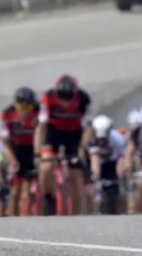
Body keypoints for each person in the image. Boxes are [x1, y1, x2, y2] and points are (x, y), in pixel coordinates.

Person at [34, 74, 93, 216]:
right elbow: (41, 127)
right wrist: (37, 153)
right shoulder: (47, 98)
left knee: (76, 175)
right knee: (46, 166)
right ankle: (48, 197)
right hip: (53, 132)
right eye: (62, 98)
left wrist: (82, 147)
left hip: (74, 134)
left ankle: (78, 215)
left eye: (68, 99)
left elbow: (89, 128)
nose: (65, 103)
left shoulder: (83, 99)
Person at [0, 87, 40, 216]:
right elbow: (5, 142)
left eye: (27, 108)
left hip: (33, 148)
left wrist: (38, 155)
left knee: (28, 189)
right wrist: (12, 161)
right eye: (21, 108)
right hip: (16, 149)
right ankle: (13, 216)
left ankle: (32, 214)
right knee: (15, 190)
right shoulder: (7, 114)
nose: (24, 112)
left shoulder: (38, 112)